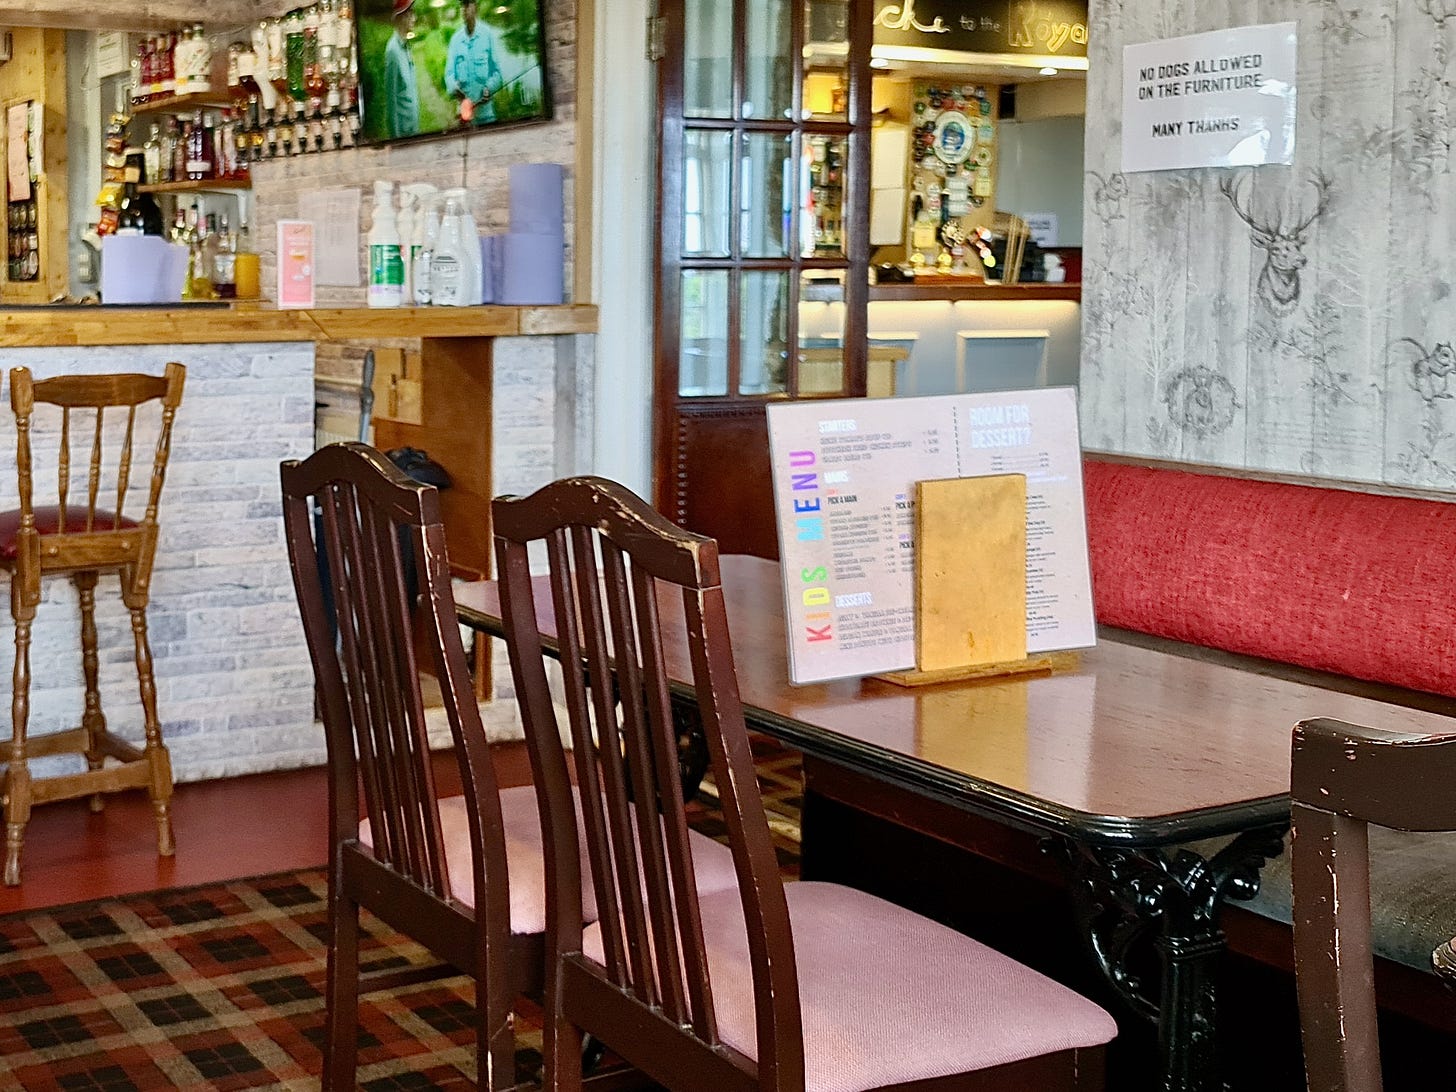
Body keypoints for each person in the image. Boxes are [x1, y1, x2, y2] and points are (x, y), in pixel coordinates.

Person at [444, 0, 504, 125]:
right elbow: (449, 75)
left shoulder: (487, 35)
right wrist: (455, 89)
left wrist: (489, 88)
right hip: (465, 118)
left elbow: (497, 74)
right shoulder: (455, 40)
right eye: (461, 6)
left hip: (486, 116)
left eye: (467, 5)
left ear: (475, 7)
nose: (464, 10)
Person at [383, 0, 420, 139]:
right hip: (403, 136)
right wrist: (396, 140)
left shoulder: (405, 45)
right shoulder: (393, 51)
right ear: (402, 17)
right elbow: (391, 100)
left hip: (413, 130)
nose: (414, 19)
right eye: (411, 14)